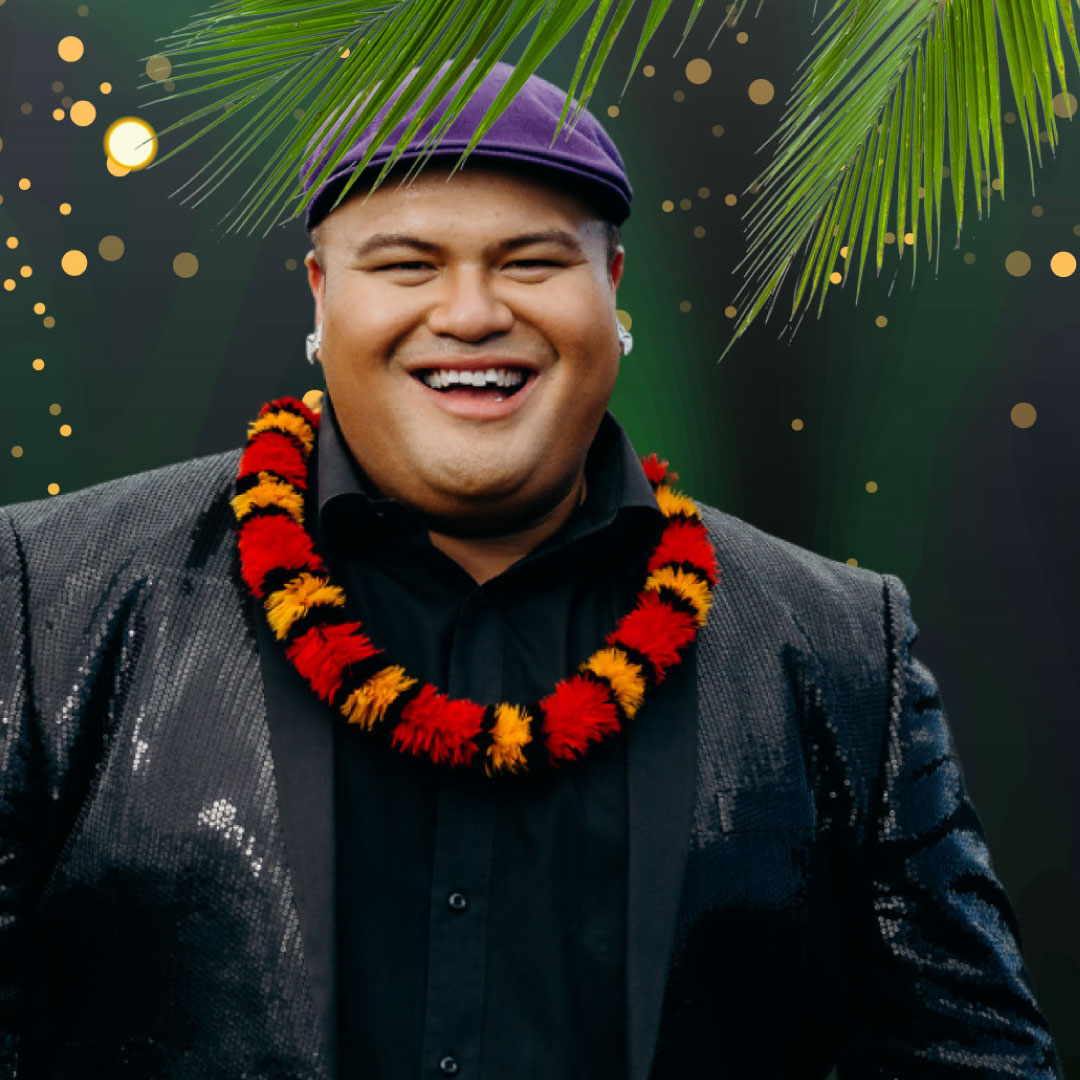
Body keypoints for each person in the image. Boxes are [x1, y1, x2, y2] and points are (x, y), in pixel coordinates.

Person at [0, 59, 1062, 1080]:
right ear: (322, 296)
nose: (469, 313)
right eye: (406, 263)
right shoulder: (48, 598)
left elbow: (972, 1055)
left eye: (533, 261)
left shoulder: (838, 648)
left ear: (612, 285)